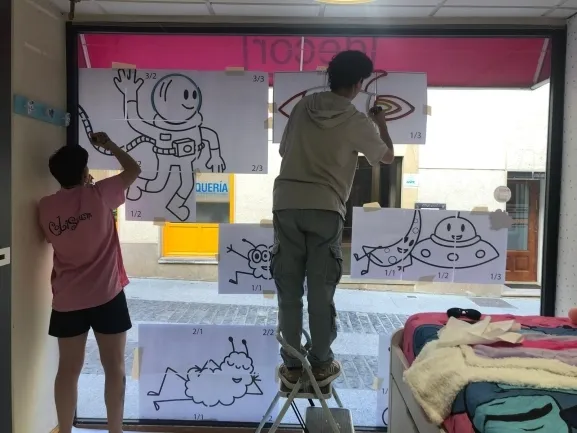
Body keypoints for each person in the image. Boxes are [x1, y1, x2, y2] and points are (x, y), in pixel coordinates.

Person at [271, 50, 395, 389]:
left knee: (289, 290)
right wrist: (380, 122)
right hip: (326, 207)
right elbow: (386, 156)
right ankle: (322, 364)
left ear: (331, 77)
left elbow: (284, 150)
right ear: (358, 83)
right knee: (320, 291)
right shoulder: (357, 121)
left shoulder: (303, 106)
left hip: (287, 203)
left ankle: (292, 366)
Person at [38, 132, 141, 433]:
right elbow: (133, 169)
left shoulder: (46, 206)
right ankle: (115, 430)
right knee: (114, 368)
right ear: (84, 172)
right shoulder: (100, 194)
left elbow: (53, 238)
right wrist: (109, 145)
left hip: (67, 300)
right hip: (108, 295)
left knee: (67, 370)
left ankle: (64, 430)